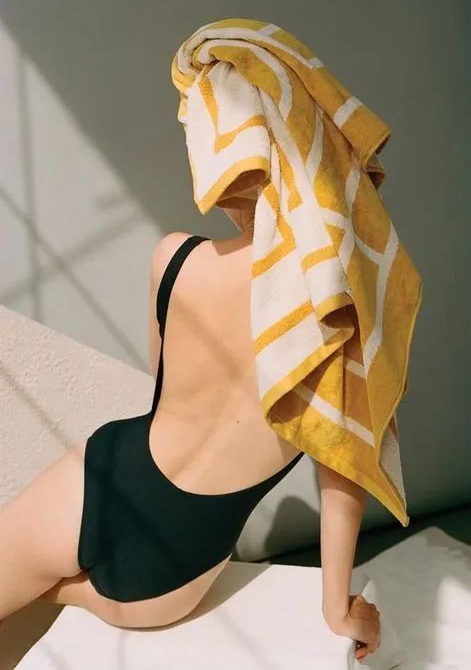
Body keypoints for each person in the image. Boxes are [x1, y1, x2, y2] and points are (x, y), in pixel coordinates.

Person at [0, 200, 380, 663]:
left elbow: (162, 377)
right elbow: (344, 479)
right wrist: (337, 610)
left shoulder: (176, 257)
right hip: (173, 576)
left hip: (99, 484)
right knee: (43, 594)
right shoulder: (348, 335)